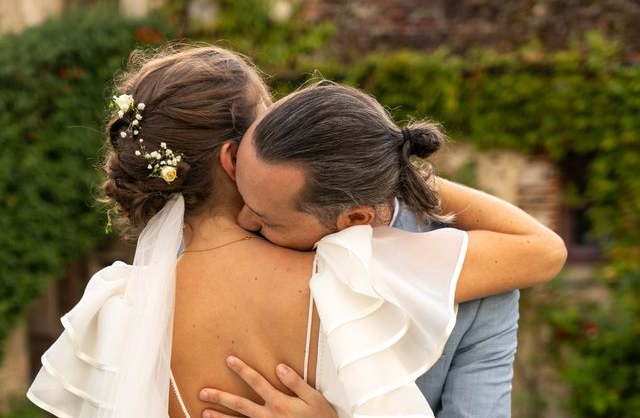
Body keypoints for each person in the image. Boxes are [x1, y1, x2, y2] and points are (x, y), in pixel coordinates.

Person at [25, 46, 566, 418]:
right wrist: (387, 170)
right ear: (234, 156)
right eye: (271, 113)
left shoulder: (114, 314)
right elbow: (537, 249)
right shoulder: (351, 273)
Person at [198, 83, 566, 418]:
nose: (243, 222)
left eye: (268, 221)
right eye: (241, 194)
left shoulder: (481, 290)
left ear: (355, 218)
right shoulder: (227, 257)